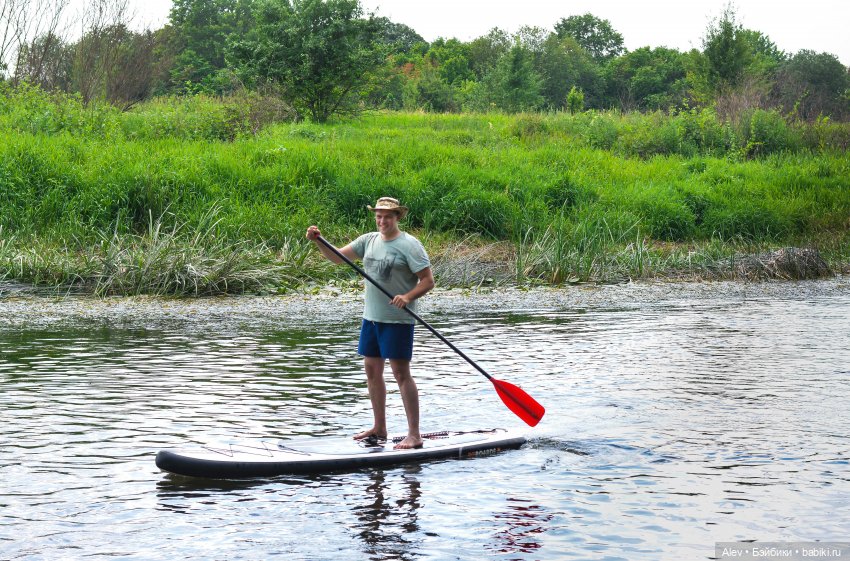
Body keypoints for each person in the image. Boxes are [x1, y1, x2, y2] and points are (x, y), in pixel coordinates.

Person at [306, 197, 435, 450]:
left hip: (397, 320)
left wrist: (407, 297)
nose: (382, 221)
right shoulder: (368, 240)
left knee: (400, 374)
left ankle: (414, 434)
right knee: (372, 371)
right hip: (371, 319)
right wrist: (319, 241)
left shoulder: (410, 245)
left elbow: (428, 281)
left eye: (387, 216)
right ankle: (380, 427)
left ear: (397, 217)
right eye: (378, 216)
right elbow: (338, 258)